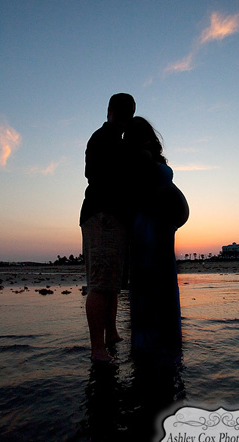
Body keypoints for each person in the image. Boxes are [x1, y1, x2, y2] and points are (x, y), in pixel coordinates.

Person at [124, 116, 188, 357]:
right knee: (155, 282)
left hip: (155, 226)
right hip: (151, 226)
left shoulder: (142, 157)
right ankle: (159, 343)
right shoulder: (142, 158)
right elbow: (149, 192)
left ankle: (151, 343)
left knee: (151, 282)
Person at [79, 93, 136, 363]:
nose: (126, 118)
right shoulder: (103, 138)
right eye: (124, 113)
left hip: (111, 217)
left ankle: (111, 334)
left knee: (112, 284)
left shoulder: (115, 139)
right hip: (101, 215)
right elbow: (95, 175)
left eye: (130, 113)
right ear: (111, 112)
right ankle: (96, 348)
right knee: (101, 284)